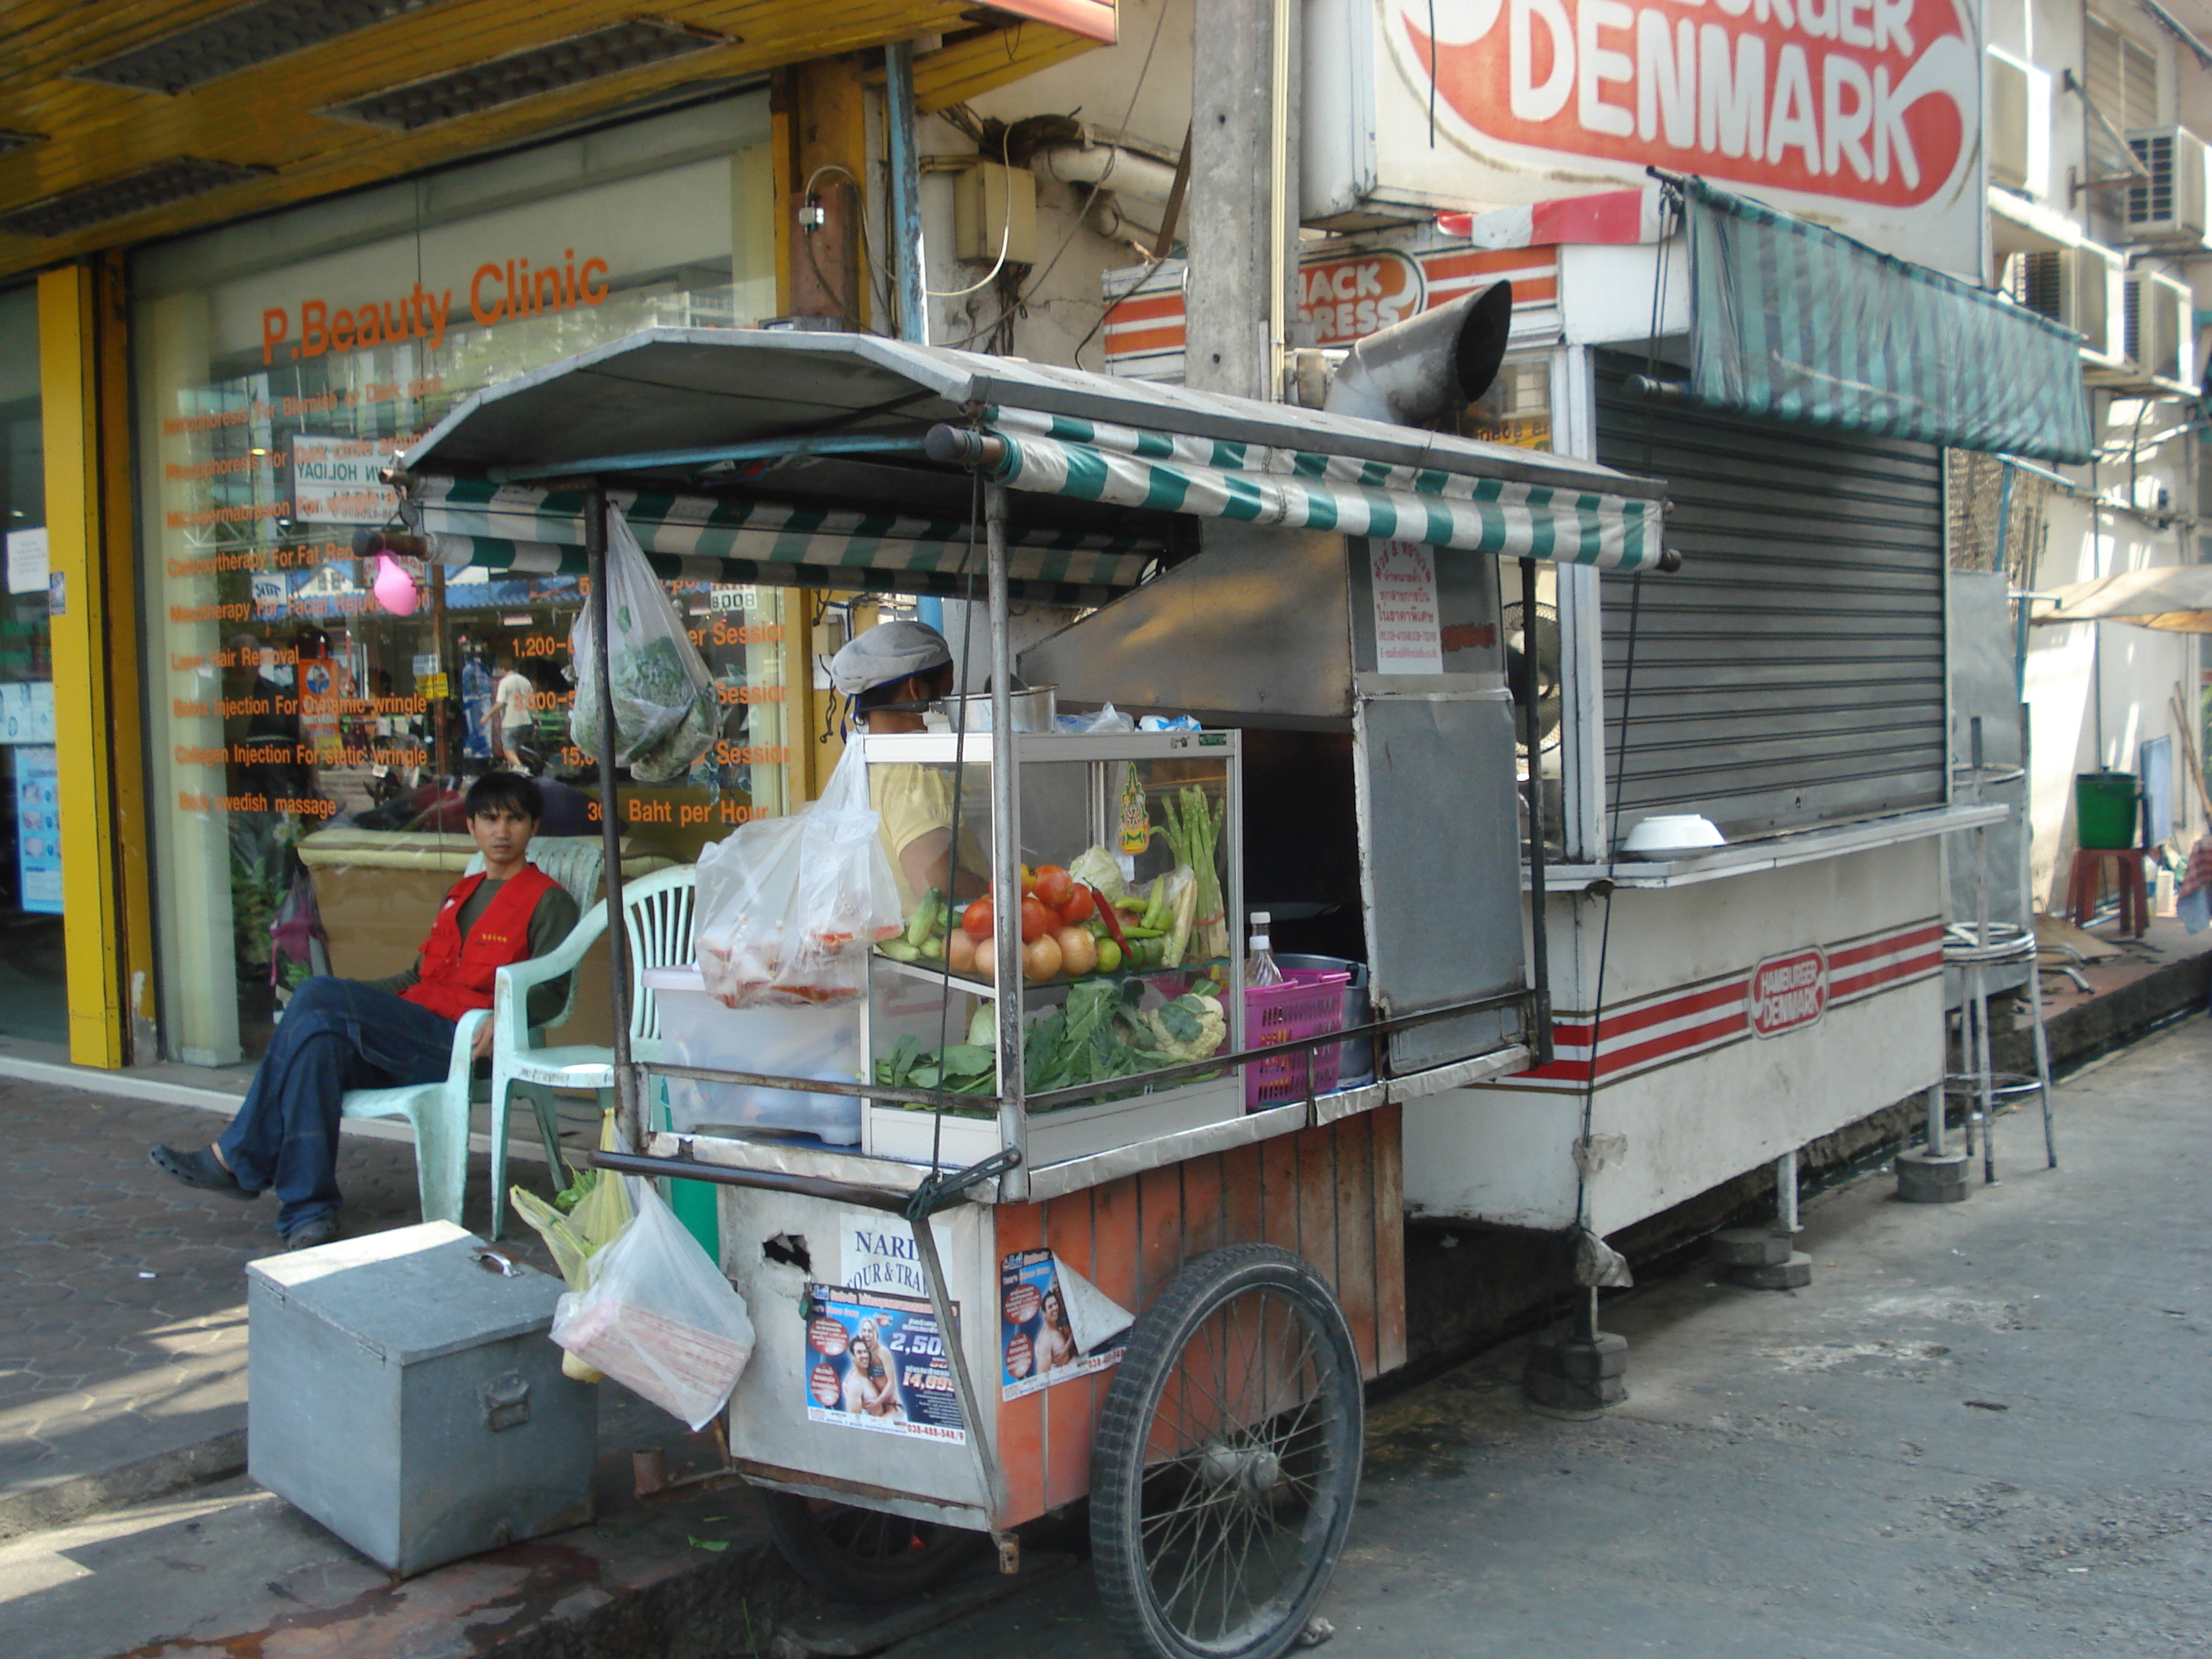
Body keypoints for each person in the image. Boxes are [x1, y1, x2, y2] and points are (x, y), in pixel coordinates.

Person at [150, 773, 581, 1251]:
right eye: (490, 819)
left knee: (318, 1001)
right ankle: (308, 1214)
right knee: (318, 1041)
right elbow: (415, 978)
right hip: (412, 1032)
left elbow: (554, 989)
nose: (502, 831)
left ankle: (238, 1158)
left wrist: (506, 1017)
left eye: (515, 819)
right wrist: (341, 997)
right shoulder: (461, 894)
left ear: (533, 826)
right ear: (472, 827)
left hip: (462, 1041)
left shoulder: (547, 900)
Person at [827, 620, 983, 912]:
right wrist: (1014, 893)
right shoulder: (914, 778)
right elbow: (935, 883)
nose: (947, 705)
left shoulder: (866, 769)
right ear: (916, 690)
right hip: (939, 949)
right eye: (946, 692)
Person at [841, 1319, 903, 1420]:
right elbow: (855, 1368)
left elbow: (892, 1383)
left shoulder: (882, 1352)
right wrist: (846, 1385)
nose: (867, 1334)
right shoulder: (867, 1355)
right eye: (864, 1331)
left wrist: (877, 1401)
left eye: (870, 1331)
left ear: (875, 1333)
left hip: (894, 1408)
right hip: (881, 1410)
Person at [493, 654, 536, 771]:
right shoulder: (525, 681)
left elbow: (500, 703)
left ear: (502, 669)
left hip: (510, 722)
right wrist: (537, 719)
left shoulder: (504, 682)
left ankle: (523, 770)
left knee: (509, 752)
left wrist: (487, 716)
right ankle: (512, 773)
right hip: (526, 721)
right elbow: (532, 702)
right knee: (514, 751)